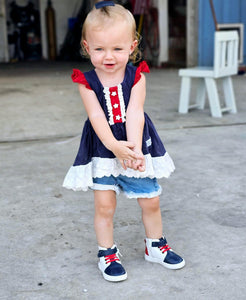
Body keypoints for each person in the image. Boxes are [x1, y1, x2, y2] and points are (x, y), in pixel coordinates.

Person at [63, 0, 185, 282]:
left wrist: (132, 149)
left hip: (135, 142)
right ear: (86, 47)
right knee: (105, 205)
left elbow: (135, 112)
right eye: (99, 49)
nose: (109, 56)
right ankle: (107, 252)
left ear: (132, 46)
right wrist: (115, 148)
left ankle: (155, 246)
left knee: (150, 199)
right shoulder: (86, 81)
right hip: (102, 148)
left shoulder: (136, 75)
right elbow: (96, 117)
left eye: (117, 48)